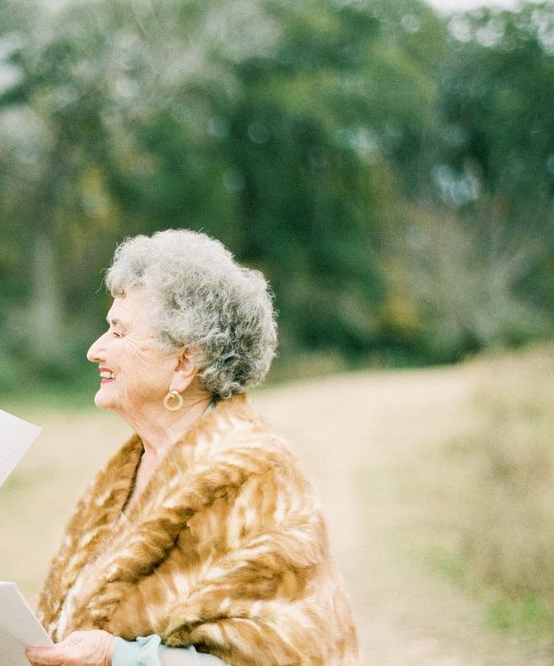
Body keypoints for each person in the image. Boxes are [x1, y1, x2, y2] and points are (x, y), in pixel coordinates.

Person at [27, 230, 359, 666]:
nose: (95, 350)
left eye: (118, 332)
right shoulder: (125, 471)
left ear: (185, 362)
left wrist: (120, 657)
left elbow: (294, 655)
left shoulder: (259, 478)